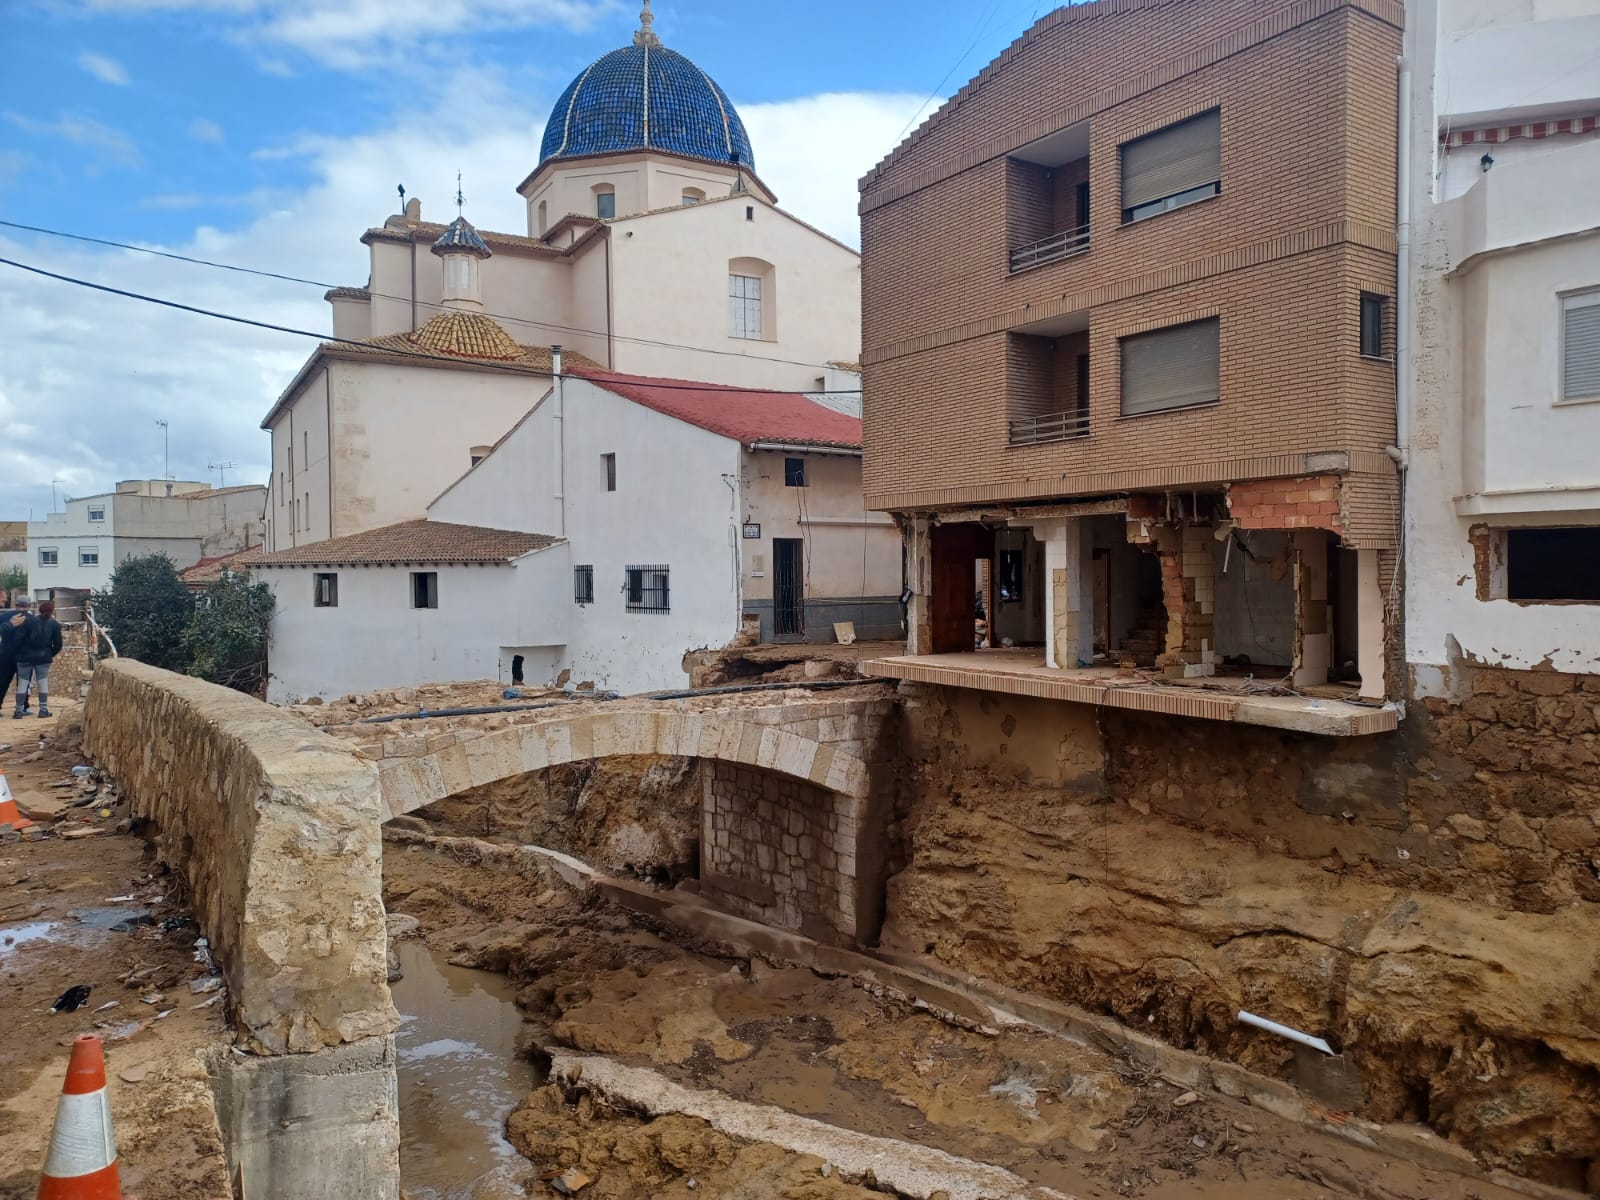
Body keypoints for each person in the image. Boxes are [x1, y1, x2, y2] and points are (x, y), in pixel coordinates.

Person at [17, 600, 62, 719]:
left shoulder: (27, 621)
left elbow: (19, 639)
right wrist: (49, 654)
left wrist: (20, 652)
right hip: (44, 657)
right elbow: (58, 644)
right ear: (52, 611)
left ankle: (19, 710)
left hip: (24, 657)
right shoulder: (55, 625)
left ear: (39, 609)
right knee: (43, 683)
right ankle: (43, 710)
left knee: (22, 683)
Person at [0, 598, 36, 716]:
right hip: (24, 657)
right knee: (24, 683)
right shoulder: (33, 620)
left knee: (2, 682)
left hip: (5, 655)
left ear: (16, 604)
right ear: (30, 605)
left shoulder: (4, 617)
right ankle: (22, 708)